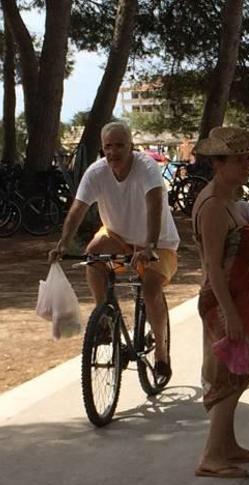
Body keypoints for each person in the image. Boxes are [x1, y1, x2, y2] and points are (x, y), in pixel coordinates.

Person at [49, 121, 179, 383]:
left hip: (158, 242)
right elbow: (78, 208)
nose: (113, 152)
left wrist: (150, 245)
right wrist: (63, 242)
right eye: (108, 146)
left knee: (151, 289)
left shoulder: (146, 168)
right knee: (93, 254)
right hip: (118, 237)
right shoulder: (96, 172)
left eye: (120, 145)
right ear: (102, 148)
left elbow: (154, 203)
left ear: (131, 146)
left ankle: (162, 355)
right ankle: (106, 318)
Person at [191, 127, 249, 478]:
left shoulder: (233, 199)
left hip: (243, 298)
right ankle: (212, 455)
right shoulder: (212, 205)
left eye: (248, 157)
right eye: (238, 159)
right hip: (225, 302)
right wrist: (230, 315)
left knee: (238, 373)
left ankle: (227, 445)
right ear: (218, 164)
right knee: (226, 375)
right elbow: (213, 265)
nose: (247, 164)